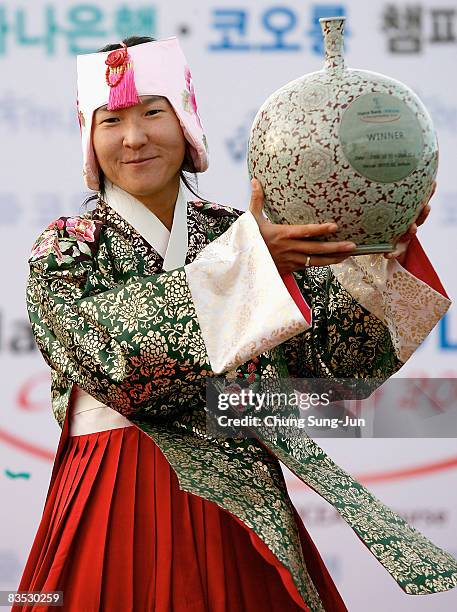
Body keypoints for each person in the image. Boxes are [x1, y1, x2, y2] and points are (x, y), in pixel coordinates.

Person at [14, 35, 457, 611]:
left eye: (154, 112)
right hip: (113, 486)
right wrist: (249, 265)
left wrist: (379, 244)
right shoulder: (66, 249)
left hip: (242, 500)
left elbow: (333, 369)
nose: (134, 136)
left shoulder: (241, 234)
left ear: (187, 122)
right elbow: (109, 359)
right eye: (111, 119)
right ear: (89, 140)